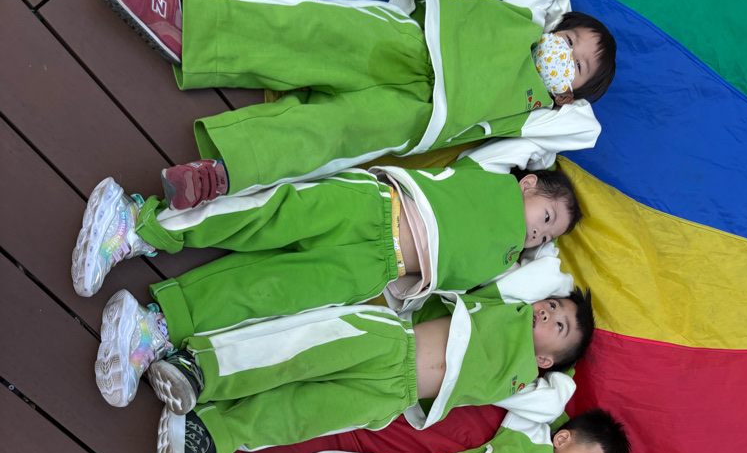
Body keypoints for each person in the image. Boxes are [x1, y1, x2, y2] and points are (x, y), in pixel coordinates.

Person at [96, 0, 615, 209]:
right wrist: (554, 27)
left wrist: (564, 96)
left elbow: (583, 130)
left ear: (570, 94)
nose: (565, 55)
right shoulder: (526, 20)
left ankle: (223, 172)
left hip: (417, 114)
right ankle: (187, 24)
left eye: (577, 66)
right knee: (311, 32)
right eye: (569, 40)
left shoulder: (538, 114)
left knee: (328, 135)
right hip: (413, 40)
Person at [95, 279, 594, 453]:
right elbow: (542, 275)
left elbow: (556, 403)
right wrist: (551, 299)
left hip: (392, 396)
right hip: (390, 342)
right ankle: (199, 368)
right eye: (552, 305)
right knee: (293, 352)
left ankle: (207, 433)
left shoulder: (525, 384)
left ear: (547, 360)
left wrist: (564, 367)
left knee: (300, 416)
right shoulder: (510, 306)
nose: (548, 313)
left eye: (559, 325)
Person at [72, 160, 581, 305]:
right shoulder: (496, 180)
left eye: (546, 237)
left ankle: (163, 322)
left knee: (271, 291)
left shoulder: (501, 260)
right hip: (373, 209)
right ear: (527, 184)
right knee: (263, 216)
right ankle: (141, 224)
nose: (537, 235)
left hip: (375, 268)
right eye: (545, 217)